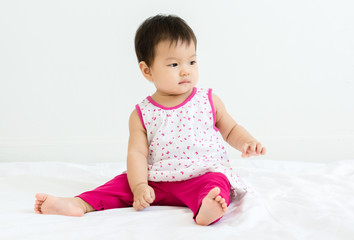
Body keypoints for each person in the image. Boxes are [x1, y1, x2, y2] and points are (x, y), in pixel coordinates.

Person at [34, 14, 266, 226]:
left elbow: (231, 129)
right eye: (174, 64)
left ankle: (207, 207)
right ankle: (79, 204)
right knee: (119, 184)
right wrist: (139, 186)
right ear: (147, 71)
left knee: (217, 183)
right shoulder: (142, 113)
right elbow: (137, 154)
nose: (186, 71)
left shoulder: (208, 100)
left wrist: (247, 142)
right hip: (157, 181)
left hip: (200, 174)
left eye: (192, 62)